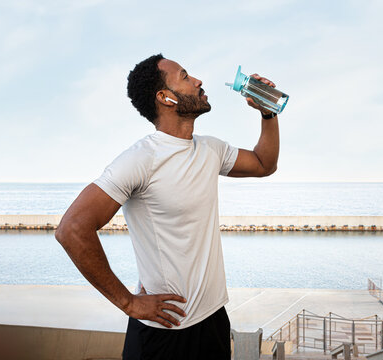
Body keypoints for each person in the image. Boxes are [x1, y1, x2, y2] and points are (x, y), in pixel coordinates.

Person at [55, 54, 280, 360]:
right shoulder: (141, 159)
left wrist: (268, 114)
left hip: (213, 320)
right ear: (166, 98)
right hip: (164, 335)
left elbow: (264, 164)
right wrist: (129, 303)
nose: (198, 81)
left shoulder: (210, 148)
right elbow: (72, 229)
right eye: (186, 77)